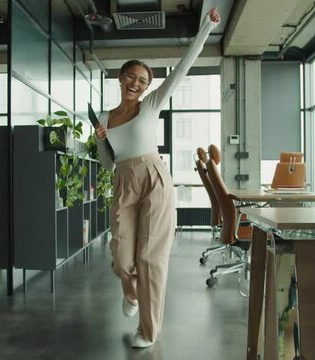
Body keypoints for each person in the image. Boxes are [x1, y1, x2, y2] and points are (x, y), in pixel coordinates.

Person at [94, 8, 221, 348]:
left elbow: (182, 69)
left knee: (150, 258)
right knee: (122, 257)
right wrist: (98, 137)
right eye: (131, 77)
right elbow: (108, 164)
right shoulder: (105, 117)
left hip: (154, 177)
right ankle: (131, 292)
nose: (136, 84)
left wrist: (205, 28)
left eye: (143, 81)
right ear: (120, 78)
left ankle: (147, 331)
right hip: (123, 180)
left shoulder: (150, 105)